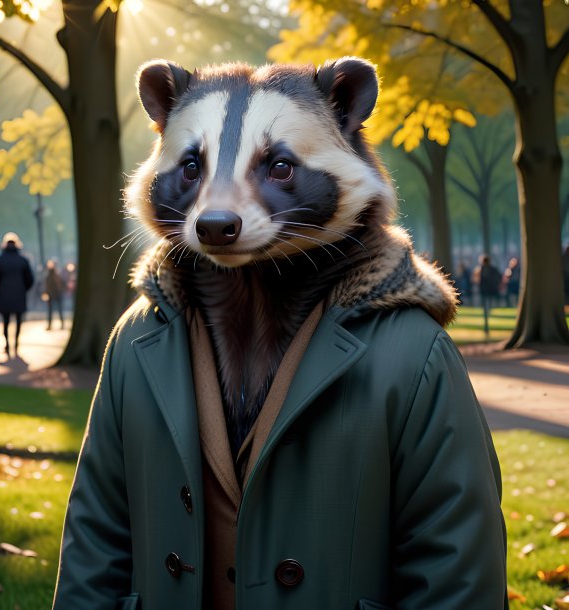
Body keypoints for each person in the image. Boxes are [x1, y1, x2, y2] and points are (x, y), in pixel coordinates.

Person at [54, 58, 507, 610]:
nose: (218, 210)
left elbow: (456, 569)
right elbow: (96, 540)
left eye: (279, 167)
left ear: (348, 114)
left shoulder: (412, 354)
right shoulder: (136, 342)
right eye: (194, 168)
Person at [0, 232, 34, 356]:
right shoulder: (23, 260)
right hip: (19, 295)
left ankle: (8, 344)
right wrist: (23, 290)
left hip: (3, 296)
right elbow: (30, 280)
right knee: (19, 321)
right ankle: (16, 344)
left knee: (6, 321)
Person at [473, 254, 502, 335]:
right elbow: (499, 277)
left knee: (486, 308)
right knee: (487, 307)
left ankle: (486, 324)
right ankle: (486, 324)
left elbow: (475, 280)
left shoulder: (480, 269)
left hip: (485, 291)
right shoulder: (491, 269)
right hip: (488, 291)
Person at [44, 259, 65, 330]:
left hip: (57, 294)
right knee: (51, 311)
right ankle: (50, 325)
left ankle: (62, 324)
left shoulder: (57, 274)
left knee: (59, 310)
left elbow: (62, 284)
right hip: (51, 295)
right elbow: (46, 285)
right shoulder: (48, 275)